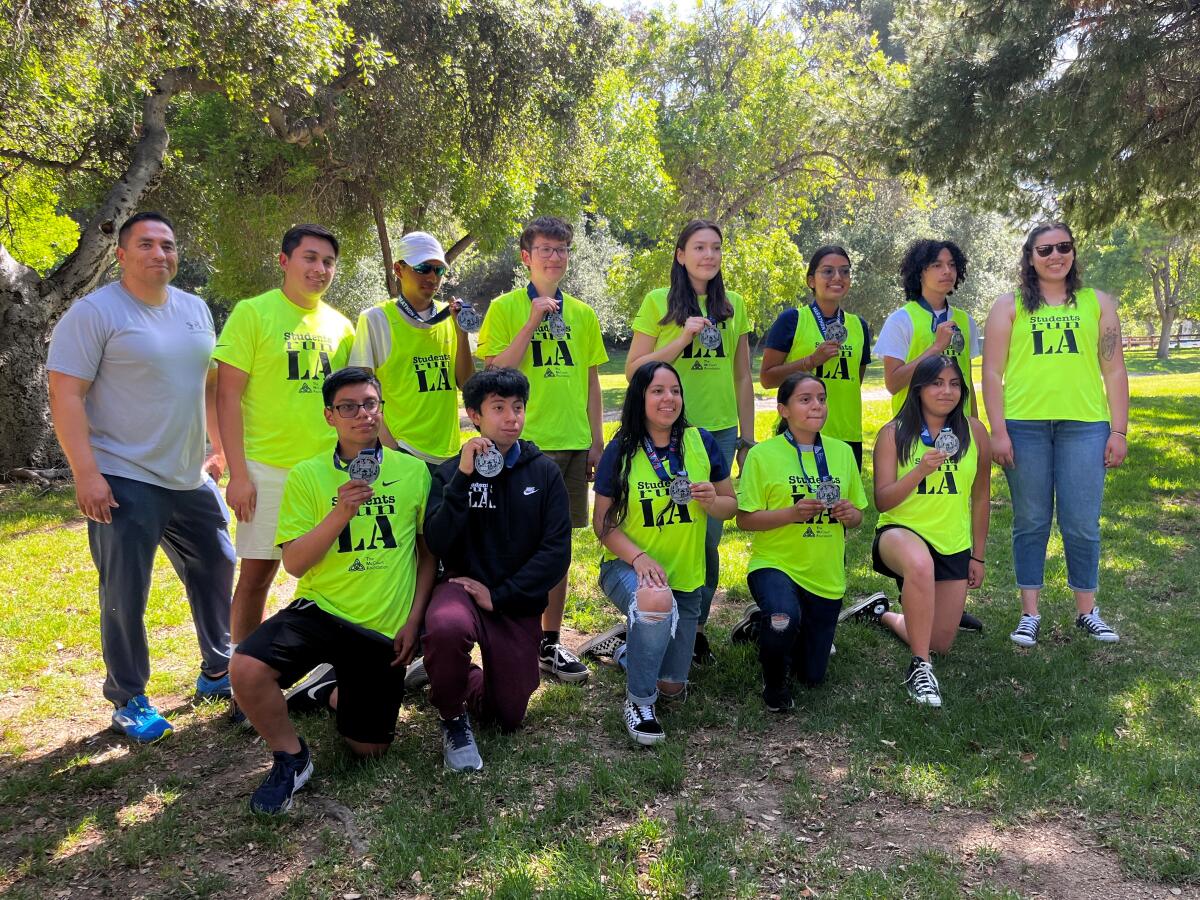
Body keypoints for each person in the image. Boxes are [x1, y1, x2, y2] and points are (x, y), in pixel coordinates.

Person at [47, 211, 235, 742]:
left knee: (218, 562)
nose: (160, 254)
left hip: (187, 473)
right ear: (121, 255)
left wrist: (216, 449)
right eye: (147, 244)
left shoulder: (194, 309)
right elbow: (65, 394)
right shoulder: (94, 313)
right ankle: (128, 697)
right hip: (123, 472)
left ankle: (217, 671)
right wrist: (86, 474)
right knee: (126, 590)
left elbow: (208, 381)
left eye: (169, 245)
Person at [229, 367, 434, 814]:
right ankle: (291, 757)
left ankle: (325, 690)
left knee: (368, 750)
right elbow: (295, 562)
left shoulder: (414, 472)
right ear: (329, 416)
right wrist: (340, 512)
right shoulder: (307, 475)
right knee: (245, 668)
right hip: (321, 611)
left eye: (370, 404)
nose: (361, 414)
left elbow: (426, 555)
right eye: (348, 406)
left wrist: (414, 620)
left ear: (382, 409)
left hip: (381, 629)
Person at [214, 224, 356, 714]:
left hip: (326, 472)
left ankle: (328, 675)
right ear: (284, 260)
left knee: (331, 576)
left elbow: (353, 403)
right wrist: (239, 472)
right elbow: (226, 396)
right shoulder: (252, 314)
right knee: (257, 575)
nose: (320, 270)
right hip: (267, 470)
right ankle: (244, 682)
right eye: (310, 258)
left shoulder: (341, 326)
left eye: (328, 262)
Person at [981, 223, 1129, 647]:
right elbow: (991, 372)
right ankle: (1030, 613)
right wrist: (998, 430)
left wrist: (1118, 429)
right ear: (1030, 257)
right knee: (1030, 520)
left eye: (1063, 247)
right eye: (1044, 249)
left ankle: (1087, 612)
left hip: (1084, 427)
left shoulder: (1098, 304)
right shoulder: (1007, 307)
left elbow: (1114, 369)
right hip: (1024, 428)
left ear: (1073, 253)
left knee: (1081, 522)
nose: (1055, 255)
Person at [478, 216, 606, 684]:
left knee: (558, 549)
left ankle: (550, 645)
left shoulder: (585, 315)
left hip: (573, 445)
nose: (555, 257)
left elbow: (592, 382)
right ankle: (513, 637)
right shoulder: (506, 307)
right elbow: (493, 372)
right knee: (515, 544)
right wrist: (533, 320)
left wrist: (597, 439)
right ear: (526, 257)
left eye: (563, 249)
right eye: (546, 249)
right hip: (523, 444)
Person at [422, 367, 571, 771]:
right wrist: (464, 480)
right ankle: (452, 716)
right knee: (447, 626)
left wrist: (501, 594)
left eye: (518, 407)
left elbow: (555, 552)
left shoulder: (544, 473)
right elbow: (436, 542)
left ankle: (446, 673)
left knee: (507, 716)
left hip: (513, 600)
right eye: (499, 408)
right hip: (463, 589)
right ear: (475, 414)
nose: (512, 418)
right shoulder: (451, 472)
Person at [583, 361, 736, 745]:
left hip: (685, 579)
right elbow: (601, 523)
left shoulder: (701, 442)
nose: (669, 399)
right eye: (658, 391)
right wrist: (638, 558)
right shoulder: (621, 450)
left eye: (675, 391)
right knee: (653, 600)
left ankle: (625, 646)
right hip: (629, 569)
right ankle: (638, 703)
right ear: (641, 397)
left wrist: (713, 500)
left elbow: (729, 507)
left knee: (673, 689)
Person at [625, 220, 752, 664]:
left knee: (707, 536)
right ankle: (654, 614)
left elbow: (741, 376)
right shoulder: (658, 302)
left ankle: (694, 629)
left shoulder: (733, 306)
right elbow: (634, 370)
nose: (708, 256)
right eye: (699, 247)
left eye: (716, 247)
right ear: (680, 254)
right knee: (666, 526)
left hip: (715, 432)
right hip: (665, 433)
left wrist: (746, 437)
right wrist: (681, 338)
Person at [849, 355, 990, 709]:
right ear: (919, 389)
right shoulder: (893, 434)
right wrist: (918, 471)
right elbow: (883, 501)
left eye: (954, 384)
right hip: (900, 533)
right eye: (936, 383)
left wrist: (978, 555)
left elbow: (981, 496)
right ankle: (919, 667)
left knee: (939, 641)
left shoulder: (975, 432)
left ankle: (879, 612)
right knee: (921, 566)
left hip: (953, 543)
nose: (946, 391)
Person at [735, 373, 867, 712]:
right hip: (776, 564)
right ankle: (774, 685)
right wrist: (790, 514)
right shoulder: (763, 456)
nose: (817, 406)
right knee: (782, 618)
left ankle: (761, 627)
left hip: (825, 576)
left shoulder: (840, 453)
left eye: (821, 398)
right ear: (783, 409)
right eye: (805, 399)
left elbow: (858, 517)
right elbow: (745, 519)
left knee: (812, 675)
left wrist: (849, 513)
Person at [874, 237, 984, 633]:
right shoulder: (902, 319)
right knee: (918, 508)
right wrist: (934, 347)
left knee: (952, 503)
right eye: (937, 264)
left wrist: (976, 425)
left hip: (958, 432)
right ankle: (910, 601)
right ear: (919, 271)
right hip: (912, 436)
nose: (946, 271)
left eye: (952, 264)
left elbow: (966, 377)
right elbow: (891, 383)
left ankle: (943, 603)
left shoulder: (966, 321)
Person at [348, 231, 475, 470]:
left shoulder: (449, 316)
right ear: (398, 270)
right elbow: (359, 395)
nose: (432, 277)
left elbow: (466, 385)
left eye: (439, 270)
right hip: (401, 453)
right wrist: (391, 448)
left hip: (448, 455)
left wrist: (461, 332)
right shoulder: (376, 319)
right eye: (423, 268)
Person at [760, 246, 873, 470]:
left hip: (846, 433)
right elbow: (767, 379)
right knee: (800, 503)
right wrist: (810, 361)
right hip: (800, 432)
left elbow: (853, 382)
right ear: (811, 280)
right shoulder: (792, 319)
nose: (838, 278)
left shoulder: (859, 326)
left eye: (845, 271)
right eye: (828, 272)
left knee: (842, 504)